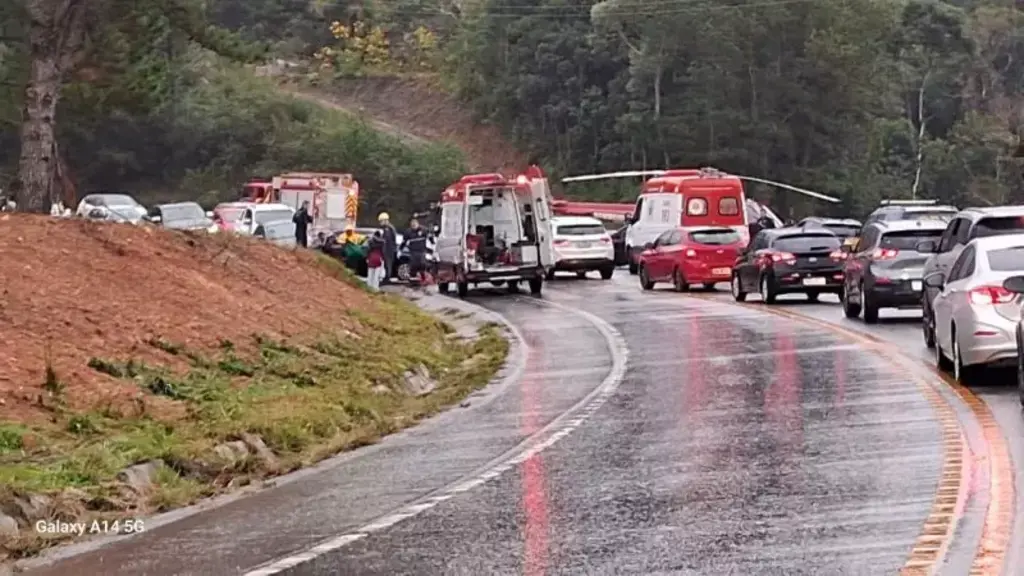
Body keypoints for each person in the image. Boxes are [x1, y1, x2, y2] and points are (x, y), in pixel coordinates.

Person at [402, 217, 431, 285]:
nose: (413, 227)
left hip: (421, 250)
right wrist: (401, 248)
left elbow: (429, 237)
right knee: (413, 265)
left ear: (417, 224)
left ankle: (423, 278)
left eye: (414, 225)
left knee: (422, 264)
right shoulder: (408, 232)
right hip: (413, 251)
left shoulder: (423, 230)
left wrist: (432, 242)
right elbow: (404, 241)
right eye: (412, 226)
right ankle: (412, 279)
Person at [378, 212, 398, 284]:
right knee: (387, 264)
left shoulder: (388, 229)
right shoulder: (390, 228)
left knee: (388, 264)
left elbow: (386, 240)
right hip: (390, 249)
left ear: (386, 220)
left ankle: (387, 279)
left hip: (388, 250)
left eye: (381, 221)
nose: (380, 223)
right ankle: (387, 277)